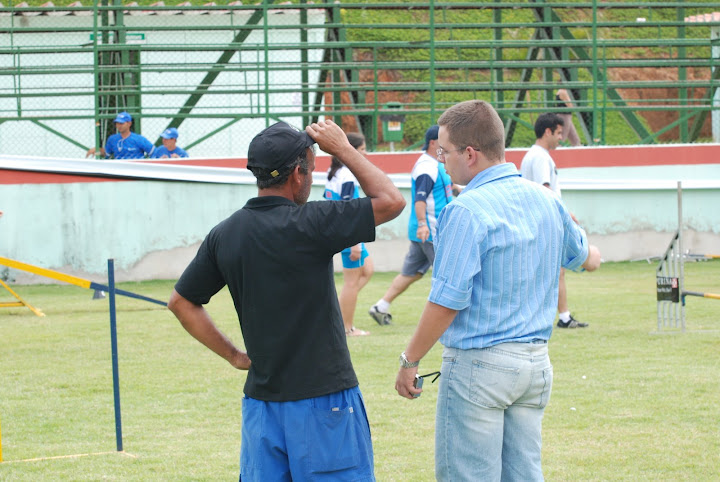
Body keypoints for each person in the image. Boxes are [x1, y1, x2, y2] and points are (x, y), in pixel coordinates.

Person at [168, 120, 405, 481]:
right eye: (311, 169)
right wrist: (342, 149)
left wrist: (234, 355)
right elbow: (391, 200)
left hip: (262, 408)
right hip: (325, 402)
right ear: (298, 174)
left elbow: (181, 303)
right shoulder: (313, 223)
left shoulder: (225, 234)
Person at [394, 100, 601, 481]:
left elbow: (446, 300)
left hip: (480, 367)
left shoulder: (466, 209)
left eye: (445, 151)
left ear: (469, 154)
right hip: (535, 364)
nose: (441, 160)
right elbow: (588, 257)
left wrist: (410, 360)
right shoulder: (546, 200)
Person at [368, 125, 455, 326]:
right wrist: (423, 224)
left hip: (425, 231)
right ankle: (441, 318)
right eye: (443, 140)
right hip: (431, 232)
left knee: (412, 273)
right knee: (445, 276)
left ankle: (381, 306)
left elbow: (440, 189)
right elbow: (420, 199)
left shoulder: (434, 164)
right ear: (434, 142)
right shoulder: (427, 167)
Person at [521, 112, 587, 329]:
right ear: (547, 132)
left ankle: (561, 316)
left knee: (551, 270)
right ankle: (561, 317)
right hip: (543, 222)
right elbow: (545, 189)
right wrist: (565, 215)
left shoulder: (534, 155)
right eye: (559, 133)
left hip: (537, 221)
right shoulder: (540, 157)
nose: (561, 138)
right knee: (554, 270)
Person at [324, 131, 373, 336]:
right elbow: (346, 210)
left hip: (345, 233)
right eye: (362, 149)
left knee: (367, 270)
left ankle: (337, 312)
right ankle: (346, 327)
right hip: (348, 236)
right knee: (351, 282)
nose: (366, 153)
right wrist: (354, 243)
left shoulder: (337, 172)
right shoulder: (347, 174)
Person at [86, 111, 154, 159]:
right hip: (120, 170)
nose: (119, 126)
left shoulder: (139, 139)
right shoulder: (112, 139)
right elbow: (106, 153)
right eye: (117, 123)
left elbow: (153, 152)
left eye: (121, 123)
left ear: (129, 124)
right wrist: (97, 150)